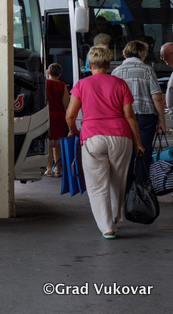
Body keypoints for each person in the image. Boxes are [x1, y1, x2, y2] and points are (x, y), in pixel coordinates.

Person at [66, 45, 144, 239]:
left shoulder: (81, 85)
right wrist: (138, 142)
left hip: (92, 136)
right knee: (118, 181)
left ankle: (107, 227)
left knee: (97, 184)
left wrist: (73, 130)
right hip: (120, 136)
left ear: (89, 65)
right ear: (109, 65)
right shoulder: (120, 84)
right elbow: (130, 116)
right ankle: (115, 216)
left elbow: (70, 115)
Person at [110, 40, 165, 188]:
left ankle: (127, 189)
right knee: (143, 152)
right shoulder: (147, 70)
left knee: (126, 153)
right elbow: (156, 97)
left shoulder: (116, 72)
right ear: (142, 53)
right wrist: (162, 120)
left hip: (123, 117)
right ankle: (142, 188)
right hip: (145, 116)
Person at [44, 63, 70, 177]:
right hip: (60, 117)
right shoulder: (63, 86)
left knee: (49, 144)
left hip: (48, 116)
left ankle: (49, 169)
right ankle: (58, 169)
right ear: (59, 74)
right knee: (58, 144)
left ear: (48, 72)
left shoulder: (45, 84)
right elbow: (66, 104)